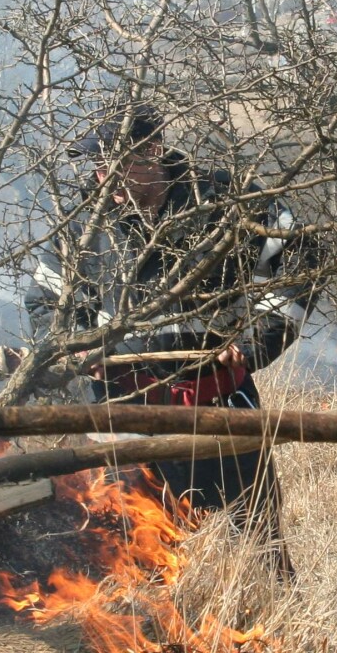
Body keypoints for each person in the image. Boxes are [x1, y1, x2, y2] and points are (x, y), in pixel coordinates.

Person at [27, 102, 310, 560]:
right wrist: (75, 350)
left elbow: (298, 262)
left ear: (154, 150)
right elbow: (47, 301)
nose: (106, 180)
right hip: (124, 412)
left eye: (117, 165)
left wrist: (255, 342)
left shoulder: (225, 199)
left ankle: (276, 619)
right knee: (140, 549)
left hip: (219, 402)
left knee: (259, 541)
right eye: (99, 168)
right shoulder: (83, 223)